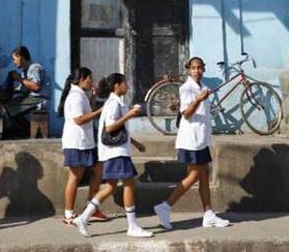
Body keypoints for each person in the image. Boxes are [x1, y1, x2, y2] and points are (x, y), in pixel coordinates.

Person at [73, 73, 153, 239]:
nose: (127, 86)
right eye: (124, 83)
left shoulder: (116, 103)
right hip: (116, 153)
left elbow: (119, 130)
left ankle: (83, 217)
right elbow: (110, 128)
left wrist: (136, 143)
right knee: (129, 184)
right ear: (117, 86)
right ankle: (132, 226)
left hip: (115, 151)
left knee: (110, 187)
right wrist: (129, 115)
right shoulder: (112, 104)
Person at [153, 57, 229, 229]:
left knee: (204, 175)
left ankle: (208, 213)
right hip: (191, 140)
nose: (197, 71)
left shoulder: (201, 87)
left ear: (203, 69)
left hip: (201, 139)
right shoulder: (186, 88)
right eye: (193, 68)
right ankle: (165, 206)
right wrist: (198, 100)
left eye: (200, 68)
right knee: (194, 175)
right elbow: (186, 114)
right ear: (188, 70)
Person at [58, 67, 108, 225]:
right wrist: (100, 111)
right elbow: (79, 119)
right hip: (76, 143)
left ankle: (91, 208)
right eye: (90, 78)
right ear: (82, 79)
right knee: (75, 177)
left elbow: (87, 112)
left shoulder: (81, 95)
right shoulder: (75, 97)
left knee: (98, 170)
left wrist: (93, 99)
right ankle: (68, 213)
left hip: (87, 142)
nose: (92, 81)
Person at [1, 46, 50, 128]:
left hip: (39, 99)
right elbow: (26, 88)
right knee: (9, 105)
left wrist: (19, 78)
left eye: (14, 59)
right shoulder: (25, 71)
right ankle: (24, 129)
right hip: (33, 97)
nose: (14, 62)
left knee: (7, 108)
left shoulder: (34, 67)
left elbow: (36, 86)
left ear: (20, 57)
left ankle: (18, 130)